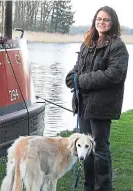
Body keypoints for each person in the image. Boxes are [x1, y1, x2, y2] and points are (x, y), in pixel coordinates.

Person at [65, 6, 129, 191]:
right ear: (95, 21)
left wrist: (81, 80)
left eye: (106, 19)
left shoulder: (117, 46)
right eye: (99, 19)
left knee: (100, 149)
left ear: (113, 23)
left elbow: (114, 74)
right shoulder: (87, 43)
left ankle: (104, 187)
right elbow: (78, 68)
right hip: (84, 105)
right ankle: (88, 186)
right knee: (85, 149)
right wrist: (71, 77)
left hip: (102, 107)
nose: (101, 22)